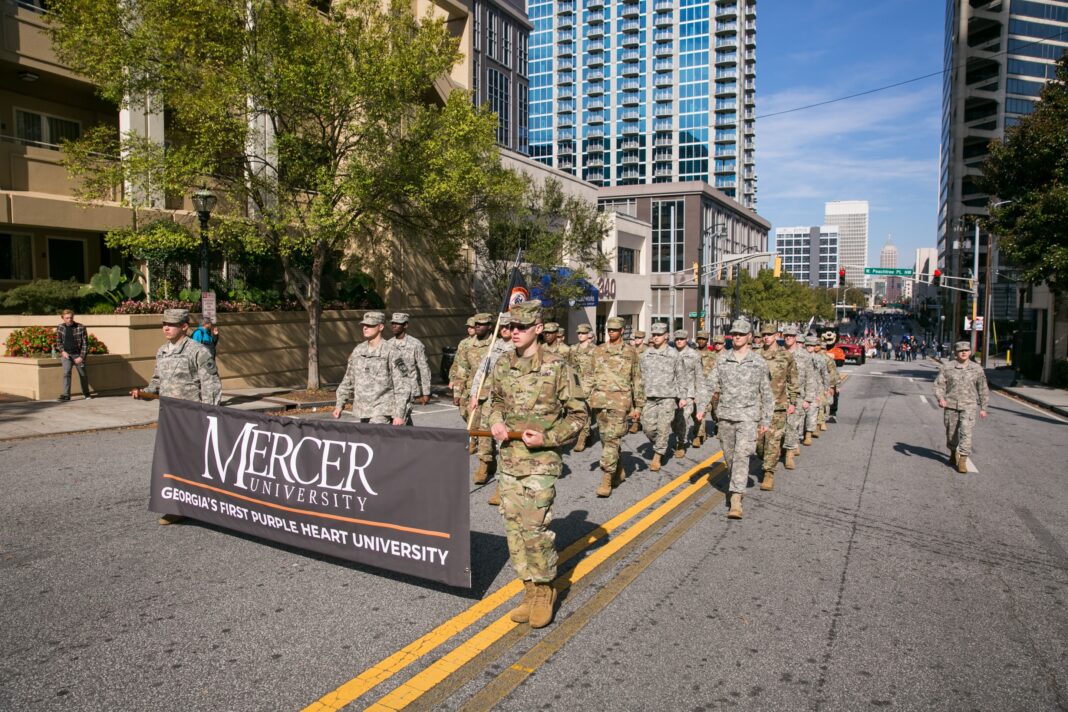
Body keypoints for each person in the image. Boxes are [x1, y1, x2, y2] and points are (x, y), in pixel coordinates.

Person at [488, 300, 586, 629]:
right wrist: (496, 421)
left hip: (540, 463)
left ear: (538, 329)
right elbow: (495, 401)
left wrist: (548, 437)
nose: (513, 332)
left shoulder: (558, 366)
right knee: (513, 530)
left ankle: (545, 591)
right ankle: (528, 590)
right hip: (509, 460)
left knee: (535, 529)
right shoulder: (502, 363)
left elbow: (579, 416)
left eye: (521, 327)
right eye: (510, 327)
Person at [131, 308, 222, 525]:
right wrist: (144, 393)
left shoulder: (197, 351)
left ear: (184, 326)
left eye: (171, 324)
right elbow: (156, 383)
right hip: (170, 418)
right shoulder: (162, 351)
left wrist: (209, 415)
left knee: (194, 462)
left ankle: (207, 503)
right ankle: (177, 506)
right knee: (171, 463)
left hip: (191, 417)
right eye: (164, 324)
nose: (166, 328)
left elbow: (211, 386)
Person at [700, 319, 772, 520]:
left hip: (748, 417)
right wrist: (700, 408)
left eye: (741, 334)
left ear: (750, 336)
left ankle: (736, 498)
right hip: (726, 416)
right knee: (730, 456)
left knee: (742, 455)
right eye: (735, 334)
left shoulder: (758, 362)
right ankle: (737, 481)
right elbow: (709, 385)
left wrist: (765, 419)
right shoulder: (722, 360)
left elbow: (766, 393)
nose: (738, 336)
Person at [587, 316, 644, 497]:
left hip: (620, 402)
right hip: (599, 402)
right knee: (606, 439)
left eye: (614, 330)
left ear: (622, 331)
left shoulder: (630, 352)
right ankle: (618, 469)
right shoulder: (598, 351)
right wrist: (587, 398)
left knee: (611, 439)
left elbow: (637, 379)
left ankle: (606, 479)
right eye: (609, 330)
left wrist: (638, 406)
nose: (611, 332)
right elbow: (589, 375)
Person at [332, 311, 410, 425]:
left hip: (383, 410)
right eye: (364, 325)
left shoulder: (392, 351)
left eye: (370, 325)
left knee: (376, 439)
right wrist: (339, 405)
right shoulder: (358, 351)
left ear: (380, 327)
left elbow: (403, 385)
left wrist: (400, 414)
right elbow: (348, 379)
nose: (365, 328)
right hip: (363, 410)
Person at [934, 341, 989, 473]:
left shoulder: (977, 369)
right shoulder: (947, 367)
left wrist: (983, 407)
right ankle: (953, 453)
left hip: (969, 405)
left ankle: (963, 459)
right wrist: (941, 398)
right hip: (951, 405)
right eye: (961, 351)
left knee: (966, 432)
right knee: (951, 433)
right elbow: (939, 385)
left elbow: (983, 389)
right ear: (956, 353)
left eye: (966, 350)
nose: (964, 352)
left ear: (970, 352)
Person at [453, 313, 496, 483]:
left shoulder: (496, 345)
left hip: (492, 393)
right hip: (473, 393)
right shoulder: (468, 345)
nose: (478, 326)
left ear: (490, 326)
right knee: (473, 424)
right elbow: (461, 369)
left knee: (484, 429)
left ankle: (484, 464)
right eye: (476, 323)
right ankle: (489, 459)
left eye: (482, 324)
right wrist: (458, 392)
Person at [756, 324, 798, 491]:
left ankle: (768, 473)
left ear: (776, 335)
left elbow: (792, 379)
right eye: (764, 334)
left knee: (773, 441)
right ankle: (765, 458)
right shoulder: (755, 355)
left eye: (769, 334)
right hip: (758, 405)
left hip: (778, 405)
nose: (766, 337)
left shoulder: (786, 356)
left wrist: (793, 402)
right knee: (759, 443)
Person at [639, 323, 685, 471]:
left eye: (659, 335)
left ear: (666, 336)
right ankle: (660, 443)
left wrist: (683, 396)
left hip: (668, 397)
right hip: (650, 396)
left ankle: (658, 455)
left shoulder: (674, 354)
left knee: (663, 427)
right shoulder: (645, 354)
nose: (656, 337)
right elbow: (639, 376)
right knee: (648, 428)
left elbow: (681, 377)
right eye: (654, 335)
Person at [388, 312, 432, 425]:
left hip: (408, 390)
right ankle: (412, 440)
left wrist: (426, 392)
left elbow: (424, 368)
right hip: (391, 389)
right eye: (393, 323)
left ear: (405, 325)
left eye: (398, 323)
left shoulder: (415, 344)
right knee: (399, 420)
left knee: (399, 420)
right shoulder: (387, 344)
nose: (394, 326)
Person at [781, 325, 809, 468]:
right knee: (780, 426)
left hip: (797, 395)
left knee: (792, 425)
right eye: (786, 336)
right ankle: (780, 449)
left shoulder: (804, 355)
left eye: (791, 336)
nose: (788, 338)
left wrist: (808, 399)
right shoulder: (779, 353)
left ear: (796, 338)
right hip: (780, 395)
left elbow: (810, 378)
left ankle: (789, 455)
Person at [672, 329, 702, 454]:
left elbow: (699, 376)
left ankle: (681, 444)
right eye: (677, 339)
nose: (679, 341)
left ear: (687, 339)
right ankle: (678, 435)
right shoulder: (670, 353)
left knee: (684, 418)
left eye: (681, 339)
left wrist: (698, 394)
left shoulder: (694, 355)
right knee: (673, 421)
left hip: (689, 393)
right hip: (672, 392)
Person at [569, 324, 596, 452]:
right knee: (578, 411)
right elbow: (571, 367)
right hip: (577, 383)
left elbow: (598, 369)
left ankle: (581, 439)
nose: (580, 335)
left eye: (583, 333)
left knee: (586, 411)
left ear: (588, 335)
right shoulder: (573, 349)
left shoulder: (595, 350)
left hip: (591, 384)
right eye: (579, 333)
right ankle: (588, 433)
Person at [56, 309, 91, 401]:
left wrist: (81, 357)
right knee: (66, 373)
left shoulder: (81, 327)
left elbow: (85, 344)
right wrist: (63, 352)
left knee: (83, 374)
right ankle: (66, 395)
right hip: (67, 355)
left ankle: (86, 393)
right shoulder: (60, 327)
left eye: (71, 317)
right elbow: (58, 342)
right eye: (67, 318)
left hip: (78, 354)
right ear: (63, 318)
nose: (69, 319)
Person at [802, 335, 826, 444]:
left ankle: (808, 435)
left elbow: (824, 374)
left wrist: (825, 389)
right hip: (801, 388)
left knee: (812, 412)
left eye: (812, 345)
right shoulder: (799, 357)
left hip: (815, 389)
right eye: (808, 345)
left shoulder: (819, 358)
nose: (810, 347)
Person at [628, 330, 647, 433]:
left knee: (641, 400)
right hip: (632, 378)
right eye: (635, 338)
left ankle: (638, 422)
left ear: (643, 339)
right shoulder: (631, 350)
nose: (637, 340)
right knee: (633, 400)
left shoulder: (647, 350)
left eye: (639, 338)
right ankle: (635, 421)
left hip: (642, 379)